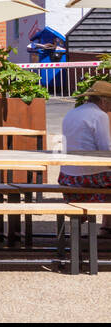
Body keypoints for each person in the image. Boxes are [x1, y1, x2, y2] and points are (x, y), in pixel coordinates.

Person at [59, 80, 111, 235]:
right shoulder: (99, 115)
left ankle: (106, 227)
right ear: (103, 101)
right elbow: (106, 150)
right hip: (87, 176)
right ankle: (107, 228)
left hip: (67, 176)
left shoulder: (73, 112)